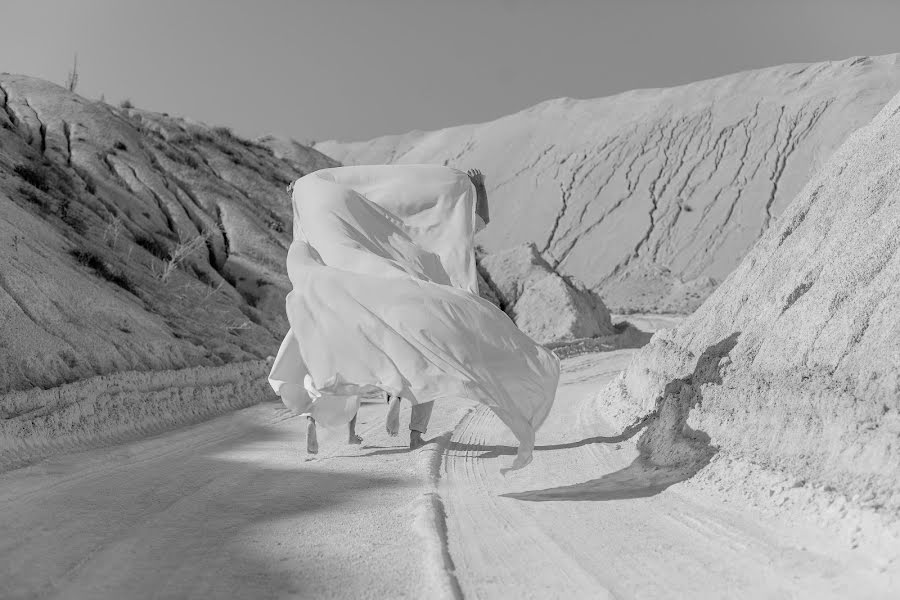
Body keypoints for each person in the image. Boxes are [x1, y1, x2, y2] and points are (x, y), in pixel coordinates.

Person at [382, 167, 490, 449]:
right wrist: (479, 187)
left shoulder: (397, 231)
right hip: (436, 305)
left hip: (401, 302)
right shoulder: (447, 229)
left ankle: (395, 394)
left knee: (400, 358)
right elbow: (482, 220)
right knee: (428, 367)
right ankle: (416, 434)